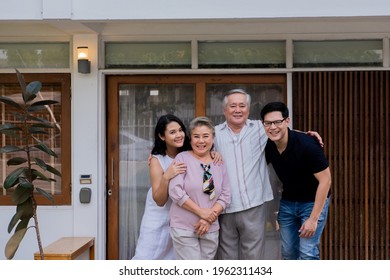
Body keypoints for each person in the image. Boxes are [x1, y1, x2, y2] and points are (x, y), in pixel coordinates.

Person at [214, 89, 323, 260]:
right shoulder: (214, 134)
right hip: (223, 207)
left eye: (242, 105)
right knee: (227, 257)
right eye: (232, 105)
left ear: (248, 110)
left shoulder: (260, 128)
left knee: (254, 256)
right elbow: (194, 150)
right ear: (224, 110)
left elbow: (283, 131)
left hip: (254, 204)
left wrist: (309, 135)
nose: (238, 109)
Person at [260, 101, 332, 260]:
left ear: (287, 121)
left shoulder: (308, 145)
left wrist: (313, 219)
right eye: (268, 123)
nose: (273, 127)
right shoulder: (269, 145)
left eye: (277, 122)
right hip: (288, 201)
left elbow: (326, 181)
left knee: (307, 252)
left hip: (312, 202)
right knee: (288, 253)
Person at [169, 116, 231, 260]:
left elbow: (226, 196)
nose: (201, 141)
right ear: (190, 139)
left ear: (213, 138)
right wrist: (201, 212)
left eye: (206, 136)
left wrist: (208, 219)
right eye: (196, 136)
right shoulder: (182, 158)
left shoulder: (218, 162)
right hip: (183, 227)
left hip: (210, 227)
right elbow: (175, 191)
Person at [132, 114, 190, 260]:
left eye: (180, 130)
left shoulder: (190, 154)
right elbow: (159, 200)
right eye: (172, 132)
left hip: (180, 218)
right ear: (162, 136)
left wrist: (215, 155)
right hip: (158, 216)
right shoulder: (157, 159)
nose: (179, 135)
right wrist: (166, 176)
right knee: (146, 257)